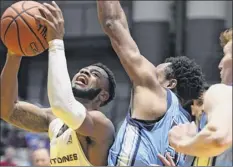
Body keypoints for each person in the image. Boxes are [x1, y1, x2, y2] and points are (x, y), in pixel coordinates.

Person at [1, 1, 116, 166]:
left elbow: (62, 104)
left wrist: (55, 42)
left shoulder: (100, 125)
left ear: (103, 95)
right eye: (83, 70)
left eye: (94, 74)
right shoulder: (53, 119)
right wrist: (14, 53)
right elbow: (7, 110)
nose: (84, 72)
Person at [97, 0, 205, 166]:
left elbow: (113, 23)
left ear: (170, 83)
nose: (151, 70)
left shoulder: (156, 91)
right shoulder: (189, 129)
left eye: (157, 71)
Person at [168, 28, 232, 166]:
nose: (220, 65)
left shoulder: (223, 92)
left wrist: (181, 142)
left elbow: (217, 138)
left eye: (225, 55)